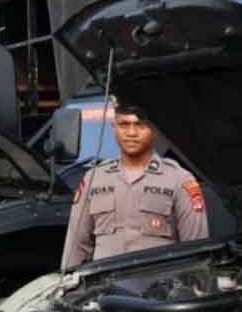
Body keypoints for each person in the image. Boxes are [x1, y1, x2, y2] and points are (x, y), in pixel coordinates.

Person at [60, 101, 209, 270]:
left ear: (155, 129)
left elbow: (196, 248)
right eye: (124, 124)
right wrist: (68, 284)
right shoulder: (94, 178)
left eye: (140, 125)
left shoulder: (179, 180)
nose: (131, 133)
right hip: (105, 287)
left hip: (158, 287)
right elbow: (76, 244)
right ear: (113, 127)